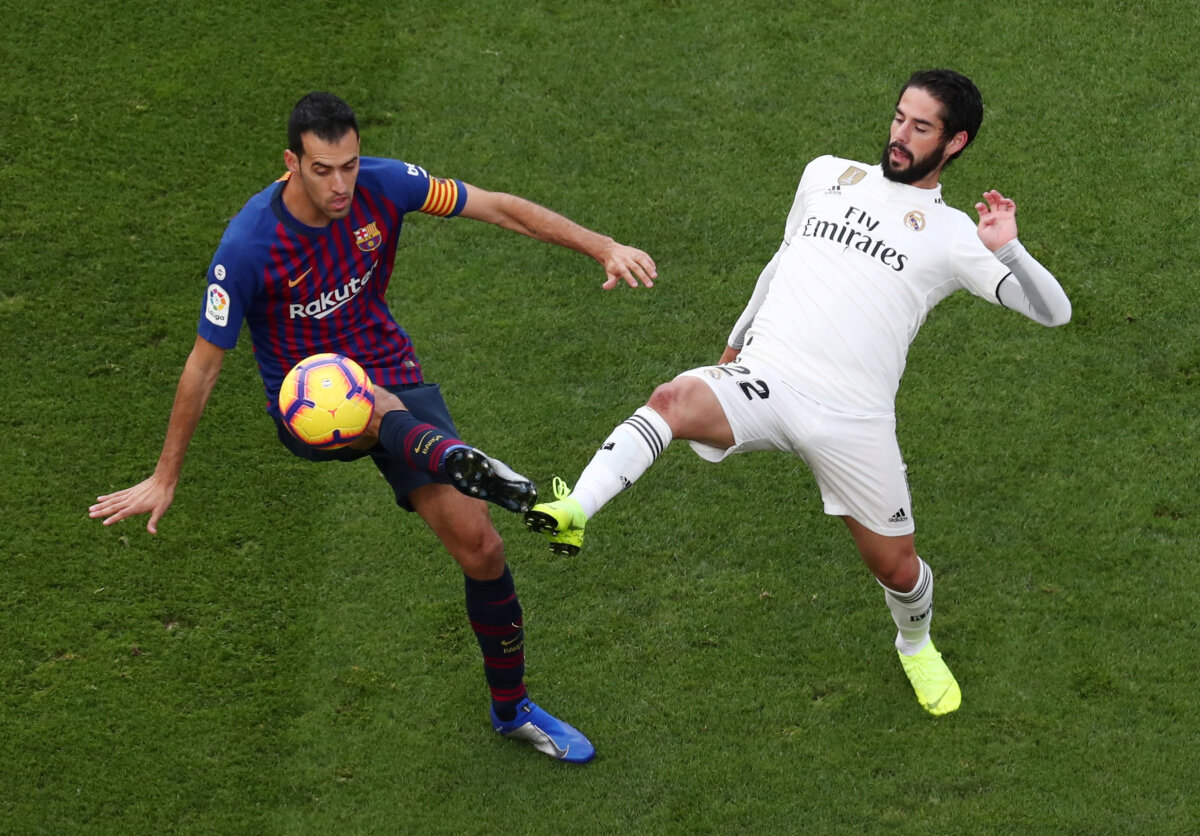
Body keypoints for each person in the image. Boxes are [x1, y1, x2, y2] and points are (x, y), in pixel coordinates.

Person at [90, 91, 657, 762]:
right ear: (291, 163)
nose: (340, 185)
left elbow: (497, 206)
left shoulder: (387, 185)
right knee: (364, 399)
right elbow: (203, 366)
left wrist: (602, 246)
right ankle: (455, 458)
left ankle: (511, 711)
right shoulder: (248, 245)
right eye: (322, 170)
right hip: (305, 402)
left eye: (349, 166)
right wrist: (165, 476)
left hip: (387, 370)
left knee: (483, 549)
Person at [525, 69, 1070, 717]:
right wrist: (734, 345)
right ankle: (577, 508)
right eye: (899, 117)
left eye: (921, 127)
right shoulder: (825, 175)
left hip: (855, 419)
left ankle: (915, 644)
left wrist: (1010, 251)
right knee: (672, 399)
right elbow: (782, 261)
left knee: (897, 569)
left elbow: (1054, 312)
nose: (899, 136)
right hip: (770, 379)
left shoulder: (955, 236)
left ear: (955, 143)